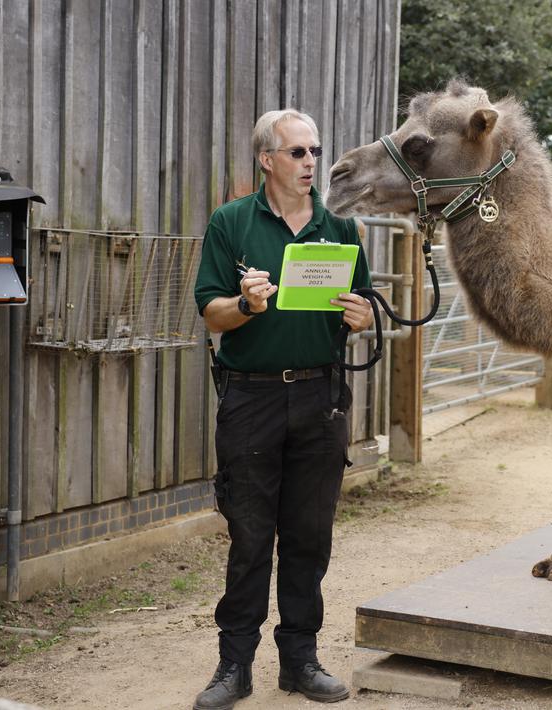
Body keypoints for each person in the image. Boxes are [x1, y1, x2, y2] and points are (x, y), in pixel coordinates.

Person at [191, 109, 373, 708]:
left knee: (308, 538)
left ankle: (300, 661)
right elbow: (211, 313)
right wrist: (244, 305)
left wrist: (362, 315)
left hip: (321, 398)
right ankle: (234, 666)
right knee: (249, 538)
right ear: (266, 160)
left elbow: (362, 302)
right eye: (298, 152)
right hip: (251, 399)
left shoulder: (339, 225)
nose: (311, 162)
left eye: (315, 150)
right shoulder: (231, 222)